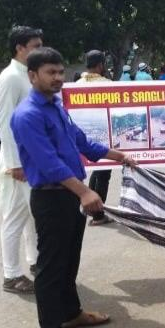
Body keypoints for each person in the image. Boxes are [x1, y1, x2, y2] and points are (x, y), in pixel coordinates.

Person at [11, 47, 137, 328]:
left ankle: (71, 313)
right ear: (32, 75)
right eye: (50, 72)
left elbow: (81, 141)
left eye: (60, 72)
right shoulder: (27, 115)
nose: (57, 78)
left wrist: (119, 156)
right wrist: (84, 192)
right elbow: (49, 163)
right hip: (52, 197)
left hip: (69, 196)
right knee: (51, 267)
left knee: (69, 261)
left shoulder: (56, 105)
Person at [0, 25, 43, 294]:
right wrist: (15, 163)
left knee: (31, 216)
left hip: (30, 159)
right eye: (35, 45)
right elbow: (4, 122)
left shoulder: (26, 74)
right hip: (18, 163)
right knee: (15, 218)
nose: (40, 49)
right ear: (20, 48)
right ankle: (11, 276)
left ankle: (34, 261)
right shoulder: (10, 77)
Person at [75, 50, 115, 226]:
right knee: (103, 173)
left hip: (83, 137)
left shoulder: (77, 84)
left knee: (94, 172)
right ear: (100, 65)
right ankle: (98, 214)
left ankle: (89, 206)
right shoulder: (108, 84)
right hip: (103, 136)